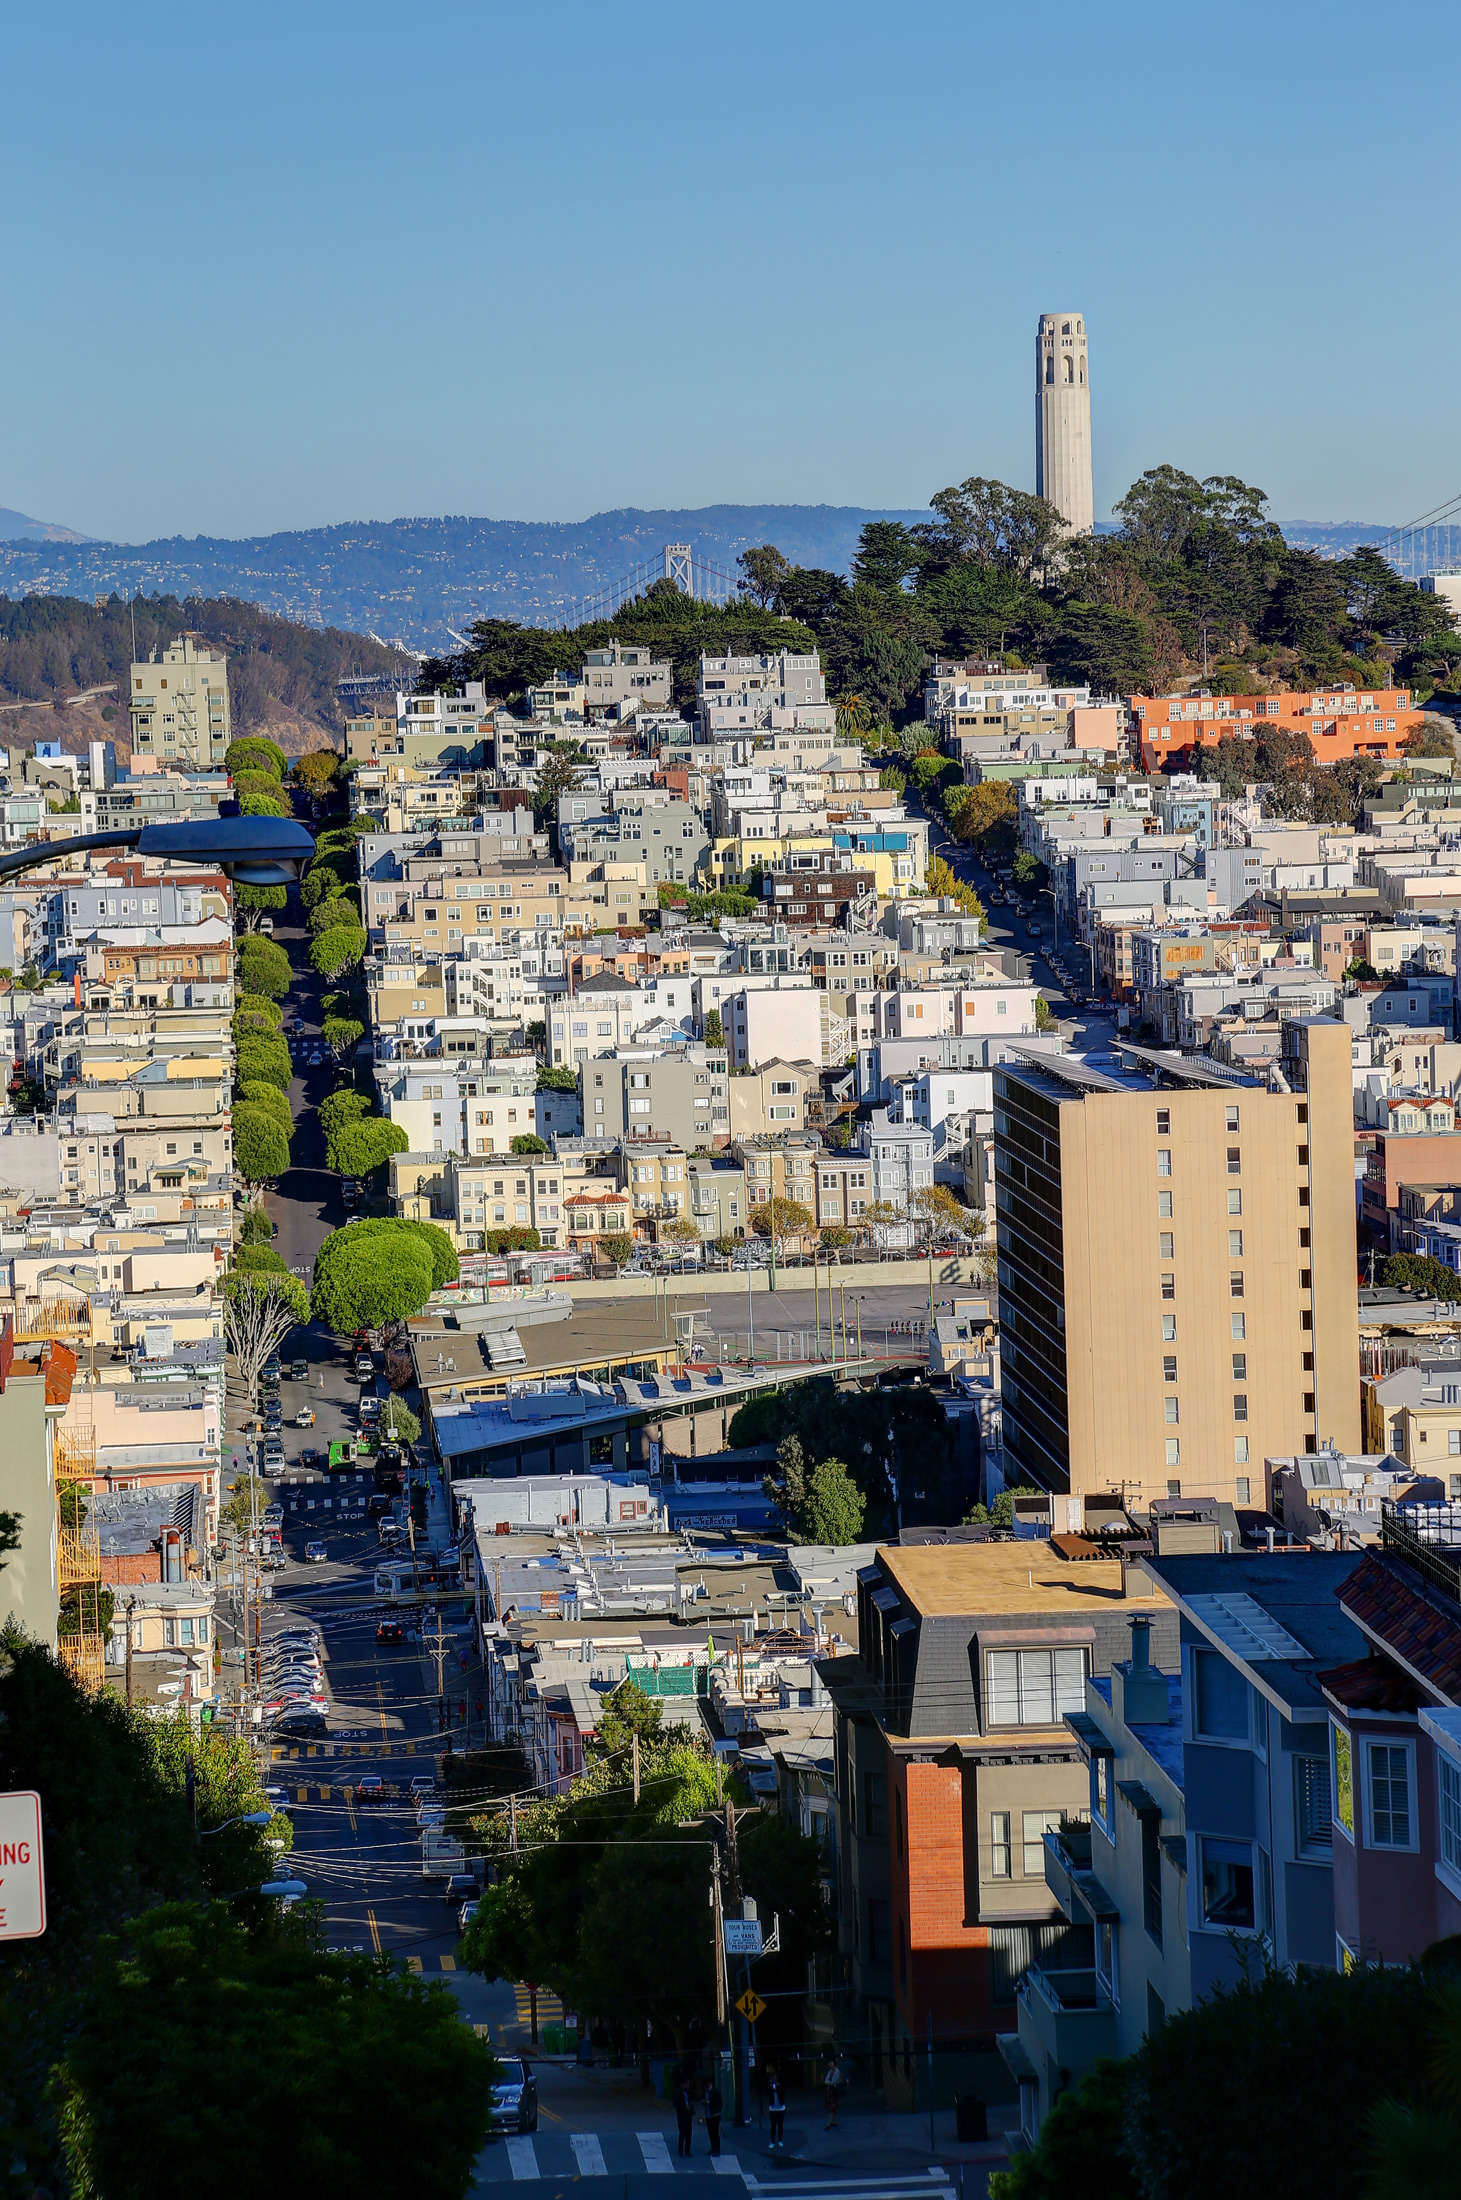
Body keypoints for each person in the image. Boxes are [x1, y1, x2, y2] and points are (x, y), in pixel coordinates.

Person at [673, 2069, 694, 2159]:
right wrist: (684, 2107)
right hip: (681, 2115)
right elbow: (676, 2104)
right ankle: (681, 2150)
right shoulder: (677, 2092)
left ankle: (687, 2150)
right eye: (687, 2084)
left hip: (688, 2115)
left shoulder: (688, 2092)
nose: (688, 2086)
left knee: (689, 2133)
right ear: (683, 2084)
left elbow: (690, 2100)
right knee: (682, 2133)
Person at [703, 2075, 723, 2157]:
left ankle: (717, 2150)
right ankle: (713, 2148)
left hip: (715, 2115)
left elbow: (717, 2102)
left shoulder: (715, 2091)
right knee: (710, 2133)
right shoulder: (705, 2091)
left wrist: (707, 2102)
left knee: (715, 2133)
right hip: (708, 2115)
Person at [767, 2067, 786, 2149]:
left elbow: (783, 2093)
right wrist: (771, 2087)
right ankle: (772, 2141)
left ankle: (780, 2140)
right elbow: (767, 2092)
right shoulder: (770, 2086)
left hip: (780, 2108)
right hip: (773, 2108)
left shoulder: (780, 2086)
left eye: (775, 2079)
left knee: (780, 2125)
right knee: (773, 2125)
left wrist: (777, 2087)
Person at [824, 2053, 842, 2129]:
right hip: (829, 2092)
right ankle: (833, 2121)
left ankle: (829, 2124)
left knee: (832, 2107)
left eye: (831, 2063)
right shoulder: (829, 2072)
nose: (830, 2064)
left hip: (834, 2092)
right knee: (832, 2107)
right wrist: (828, 2082)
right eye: (829, 2063)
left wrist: (828, 2082)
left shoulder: (837, 2071)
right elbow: (826, 2080)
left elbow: (833, 2082)